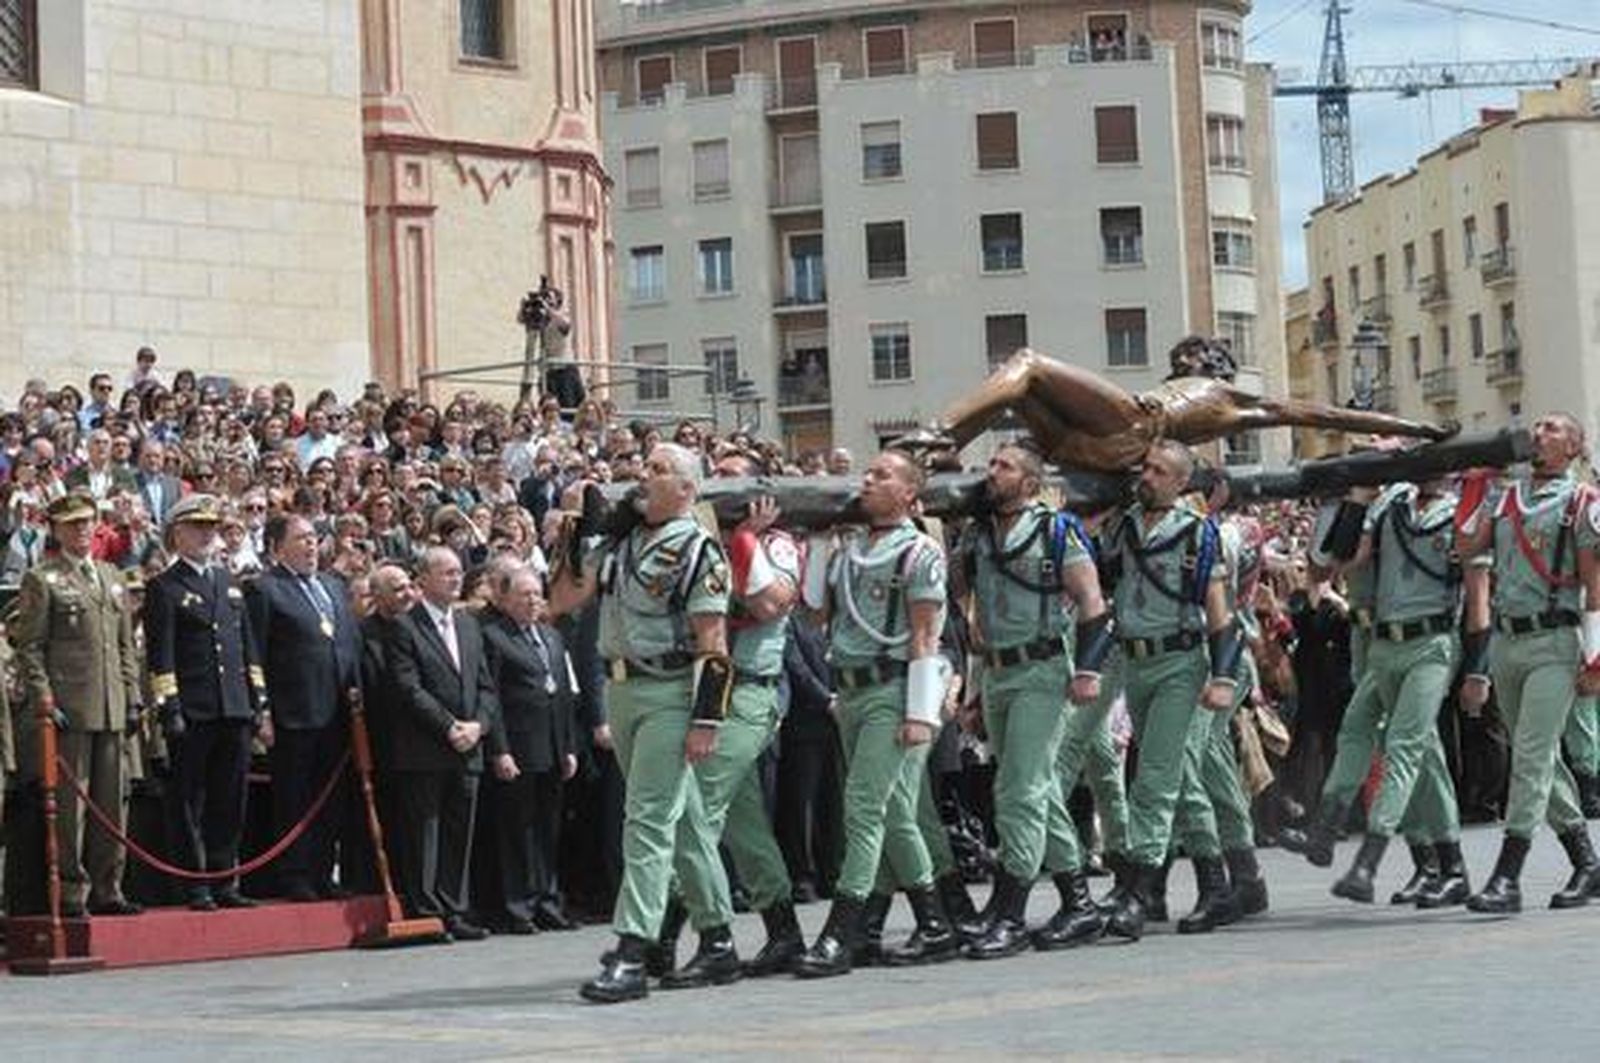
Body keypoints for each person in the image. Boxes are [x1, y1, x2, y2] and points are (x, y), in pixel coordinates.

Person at [550, 443, 738, 1004]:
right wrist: (575, 533)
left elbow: (714, 645)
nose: (643, 476)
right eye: (644, 466)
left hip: (671, 691)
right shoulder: (622, 540)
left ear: (686, 490)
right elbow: (564, 597)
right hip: (623, 687)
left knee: (648, 820)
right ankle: (719, 938)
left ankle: (634, 947)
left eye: (659, 470)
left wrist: (708, 719)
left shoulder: (698, 550)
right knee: (683, 824)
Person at [792, 449, 953, 978]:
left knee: (862, 807)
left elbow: (926, 636)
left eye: (881, 475)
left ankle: (842, 930)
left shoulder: (919, 553)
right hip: (853, 690)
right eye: (868, 472)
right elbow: (814, 612)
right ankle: (933, 923)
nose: (867, 479)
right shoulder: (852, 548)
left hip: (892, 689)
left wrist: (920, 713)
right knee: (894, 813)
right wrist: (817, 544)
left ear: (909, 493)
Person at [954, 442, 1112, 958]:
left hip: (1043, 669)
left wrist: (1088, 669)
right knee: (1035, 790)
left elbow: (1092, 602)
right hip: (998, 669)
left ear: (1029, 482)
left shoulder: (1055, 529)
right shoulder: (980, 532)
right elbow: (957, 593)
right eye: (991, 465)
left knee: (1019, 789)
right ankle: (1078, 903)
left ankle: (1011, 910)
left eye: (1003, 466)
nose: (991, 473)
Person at [1295, 471, 1469, 904]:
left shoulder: (1453, 510)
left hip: (1424, 639)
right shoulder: (1390, 502)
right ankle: (1432, 862)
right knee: (1377, 736)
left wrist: (1478, 669)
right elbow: (1333, 559)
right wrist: (1355, 498)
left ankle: (1379, 859)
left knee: (1409, 749)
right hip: (1377, 640)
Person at [1456, 412, 1600, 911]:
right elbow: (1466, 546)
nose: (1539, 434)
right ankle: (1586, 861)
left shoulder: (1582, 502)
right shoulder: (1505, 497)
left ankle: (1507, 876)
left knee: (1532, 757)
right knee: (1540, 759)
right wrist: (1477, 486)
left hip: (1555, 642)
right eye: (1536, 427)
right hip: (1508, 642)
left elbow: (1595, 586)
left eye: (1553, 429)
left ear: (1574, 448)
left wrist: (1595, 655)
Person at [1097, 440, 1240, 941]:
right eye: (1146, 468)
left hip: (1181, 662)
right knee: (1182, 781)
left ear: (1182, 483)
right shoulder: (1126, 524)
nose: (1147, 477)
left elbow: (1218, 611)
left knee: (1153, 778)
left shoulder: (1197, 534)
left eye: (1159, 471)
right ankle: (1216, 884)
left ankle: (1139, 890)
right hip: (1137, 661)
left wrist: (1222, 678)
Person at [911, 344, 1456, 474]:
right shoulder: (1211, 397)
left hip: (1137, 428)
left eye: (1192, 354)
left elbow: (1329, 416)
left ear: (1212, 365)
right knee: (1020, 385)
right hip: (1087, 447)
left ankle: (931, 437)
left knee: (1028, 363)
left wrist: (1417, 428)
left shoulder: (1238, 400)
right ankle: (944, 454)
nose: (1183, 357)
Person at [11, 491, 144, 916]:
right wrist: (45, 697)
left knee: (112, 802)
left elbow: (124, 646)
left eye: (87, 522)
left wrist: (132, 696)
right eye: (73, 524)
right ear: (56, 529)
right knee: (72, 807)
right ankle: (73, 890)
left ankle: (109, 886)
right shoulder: (42, 578)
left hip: (111, 704)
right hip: (70, 707)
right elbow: (29, 647)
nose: (82, 530)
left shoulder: (111, 576)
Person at [144, 493, 268, 911]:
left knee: (230, 797)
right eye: (197, 527)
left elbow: (246, 647)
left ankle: (225, 877)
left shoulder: (228, 583)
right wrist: (169, 707)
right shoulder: (164, 587)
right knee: (190, 800)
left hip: (233, 705)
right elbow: (161, 656)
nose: (206, 534)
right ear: (176, 533)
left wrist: (258, 698)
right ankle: (195, 883)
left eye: (211, 527)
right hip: (194, 709)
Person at [384, 546, 511, 940]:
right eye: (446, 573)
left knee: (460, 831)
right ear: (422, 579)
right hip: (426, 747)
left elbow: (487, 687)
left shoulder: (469, 625)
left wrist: (478, 726)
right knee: (426, 832)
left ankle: (455, 908)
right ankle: (428, 910)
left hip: (468, 746)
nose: (456, 579)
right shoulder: (404, 626)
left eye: (459, 573)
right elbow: (407, 688)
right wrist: (449, 726)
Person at [246, 514, 363, 901]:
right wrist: (261, 711)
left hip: (337, 712)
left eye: (314, 537)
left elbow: (347, 644)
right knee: (295, 797)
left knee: (331, 799)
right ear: (277, 547)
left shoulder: (332, 585)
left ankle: (322, 871)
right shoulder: (266, 589)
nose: (311, 545)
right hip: (293, 712)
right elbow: (256, 653)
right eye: (301, 538)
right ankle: (295, 874)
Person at [480, 565, 579, 934]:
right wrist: (500, 750)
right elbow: (492, 699)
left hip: (552, 747)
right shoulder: (493, 636)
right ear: (504, 599)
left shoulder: (551, 636)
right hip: (518, 748)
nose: (533, 600)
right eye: (524, 594)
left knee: (547, 830)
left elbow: (564, 694)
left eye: (537, 594)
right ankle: (518, 905)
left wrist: (568, 746)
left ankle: (547, 900)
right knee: (517, 831)